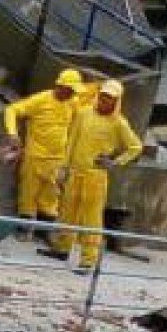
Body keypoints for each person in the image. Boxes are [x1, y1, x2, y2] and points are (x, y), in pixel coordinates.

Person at [45, 79, 142, 273]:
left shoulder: (119, 123)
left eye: (110, 98)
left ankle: (88, 259)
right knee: (67, 211)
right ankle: (62, 248)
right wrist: (63, 167)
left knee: (92, 219)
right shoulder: (83, 113)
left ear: (117, 101)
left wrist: (115, 162)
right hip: (75, 171)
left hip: (96, 176)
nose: (105, 100)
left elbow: (135, 147)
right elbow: (71, 140)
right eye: (103, 96)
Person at [2, 69, 83, 240]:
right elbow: (12, 110)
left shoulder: (73, 103)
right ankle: (24, 230)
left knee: (51, 195)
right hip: (35, 157)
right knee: (28, 194)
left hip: (57, 159)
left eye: (74, 91)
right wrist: (12, 134)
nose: (72, 94)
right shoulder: (40, 100)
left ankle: (43, 232)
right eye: (70, 90)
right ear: (60, 86)